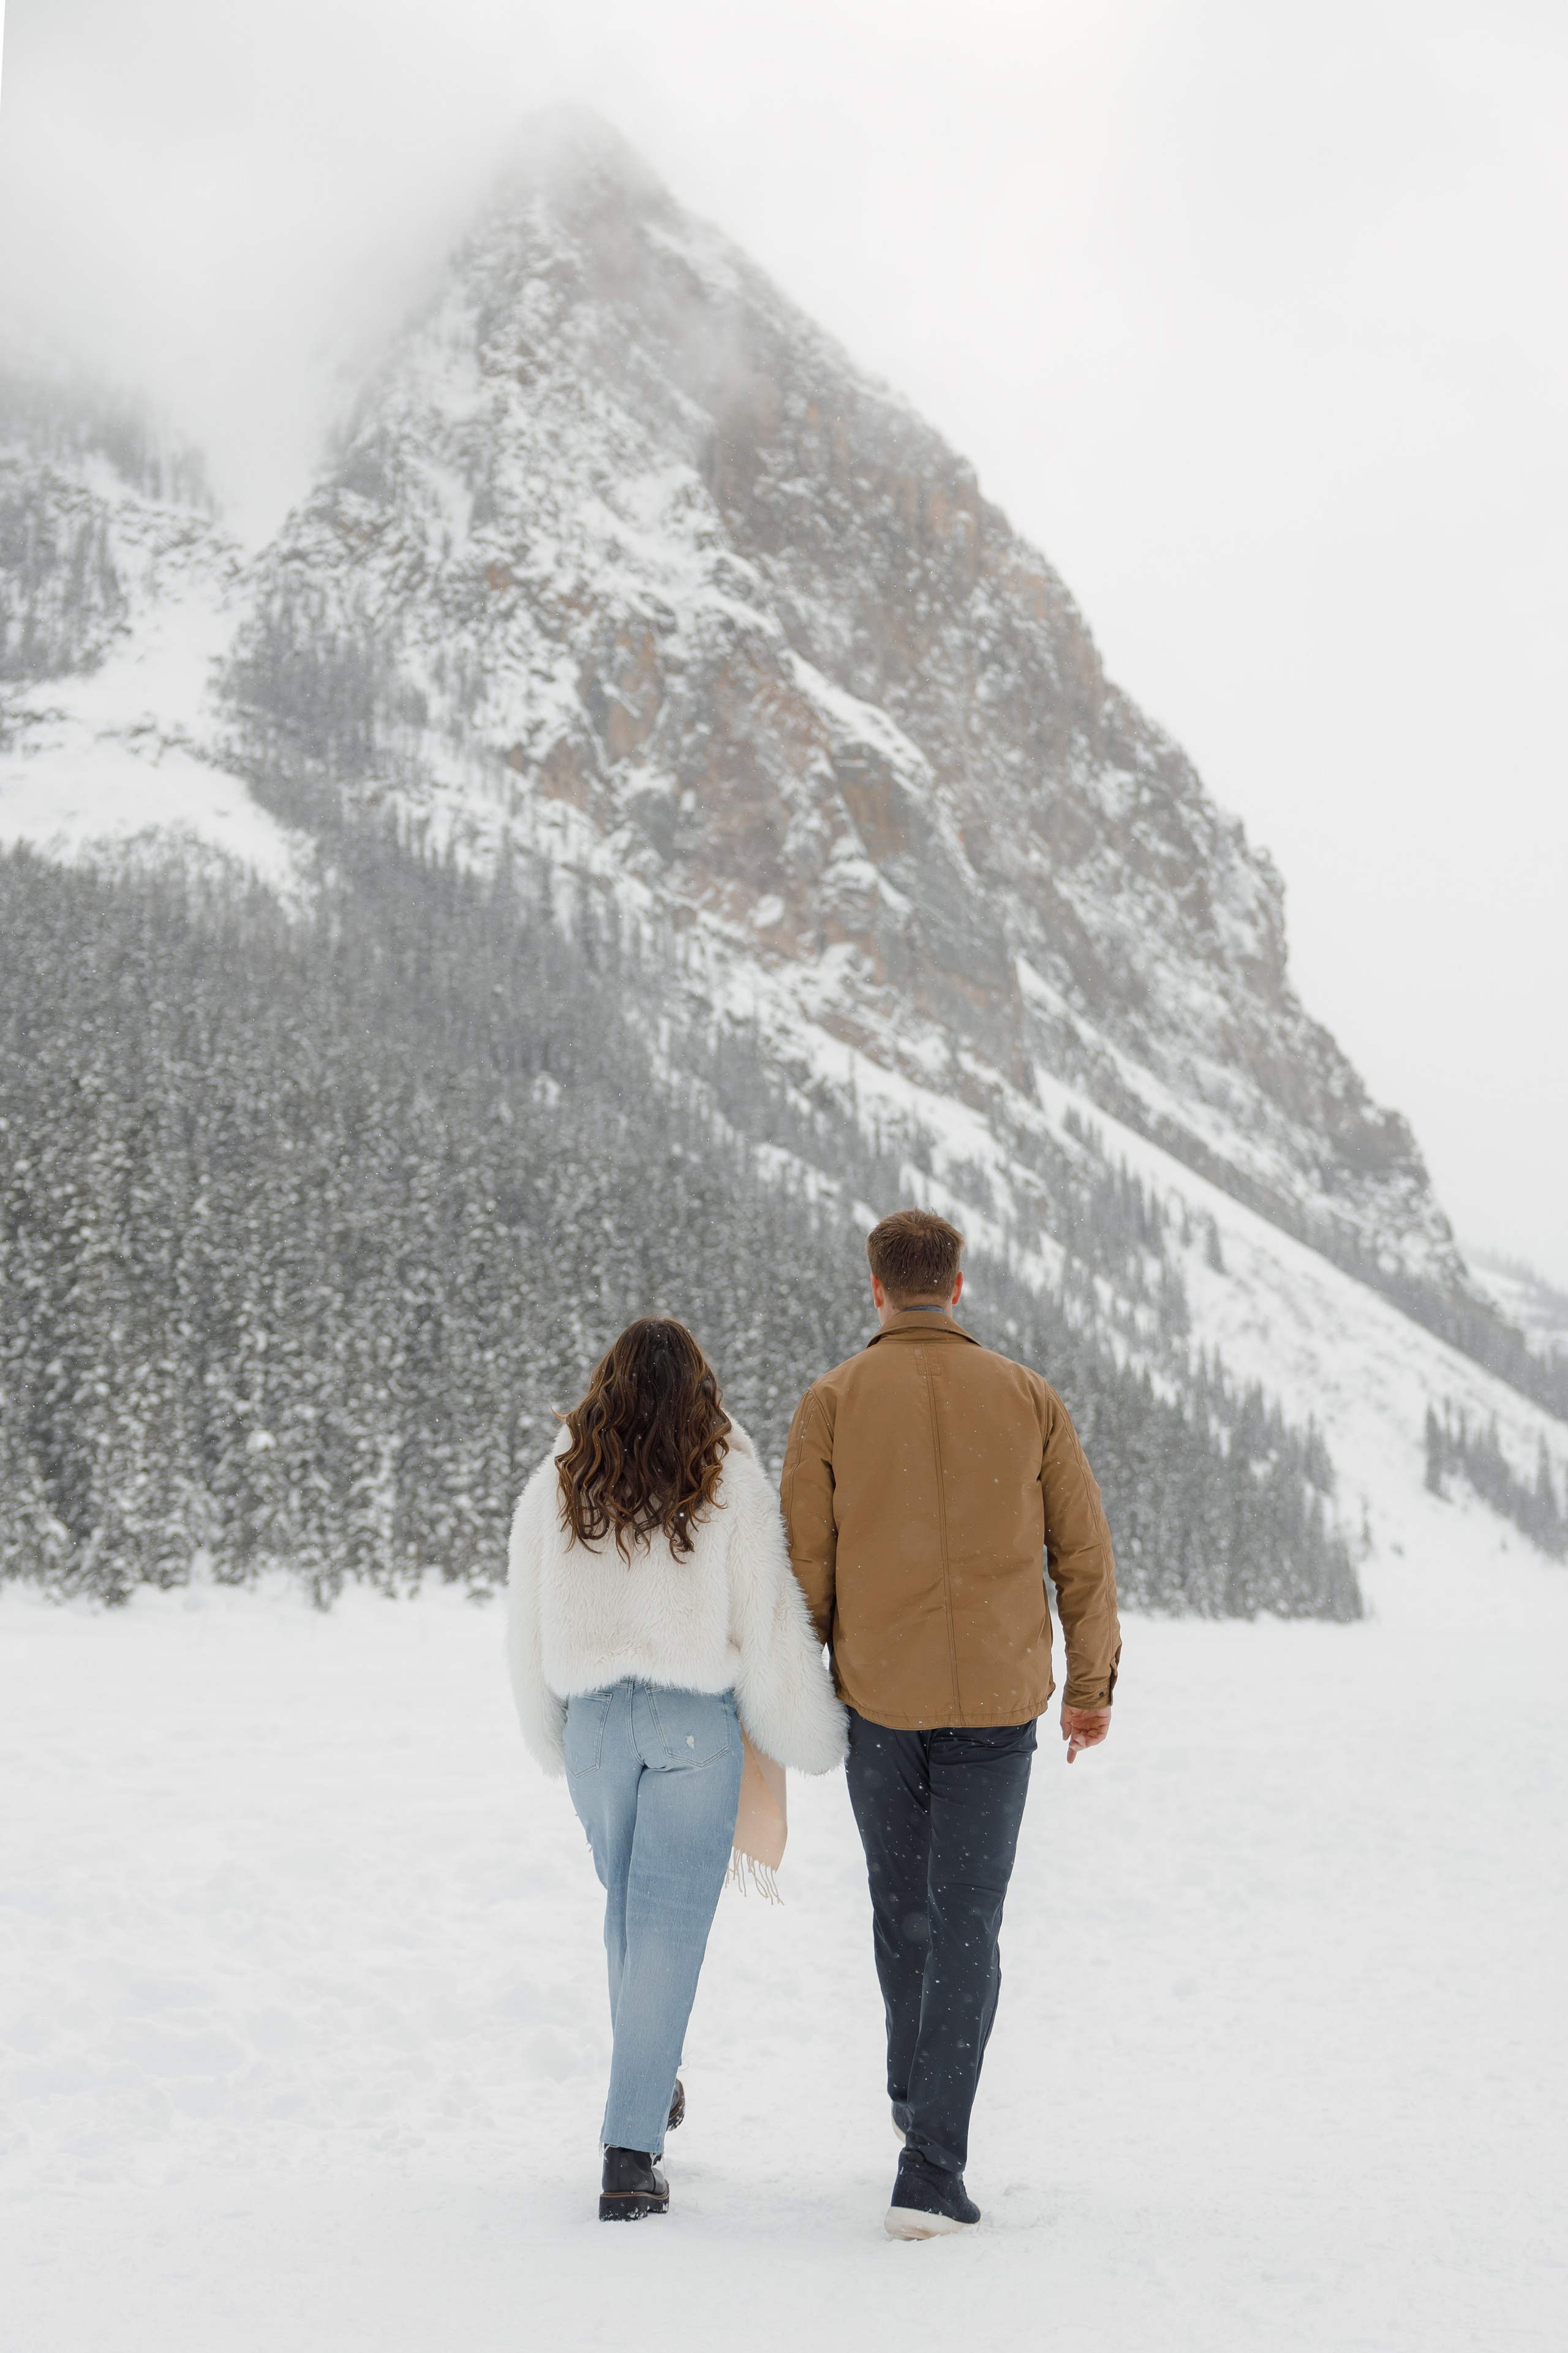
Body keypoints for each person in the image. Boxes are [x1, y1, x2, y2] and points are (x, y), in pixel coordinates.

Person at [780, 1209, 1120, 2240]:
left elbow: (806, 1571)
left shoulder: (831, 1402)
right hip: (998, 1711)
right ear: (959, 1286)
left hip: (878, 1706)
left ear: (876, 1288)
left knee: (903, 1913)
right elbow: (1085, 1554)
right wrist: (1091, 1685)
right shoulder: (1029, 1398)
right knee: (966, 1918)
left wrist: (799, 1695)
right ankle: (930, 2155)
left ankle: (916, 2107)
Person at [507, 1316, 845, 2221]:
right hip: (693, 1724)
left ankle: (647, 2091)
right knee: (664, 1931)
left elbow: (526, 1622)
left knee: (625, 1916)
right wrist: (815, 1735)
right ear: (700, 1386)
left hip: (596, 1724)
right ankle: (629, 2150)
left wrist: (550, 1731)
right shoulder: (726, 1475)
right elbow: (768, 1620)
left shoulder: (561, 1479)